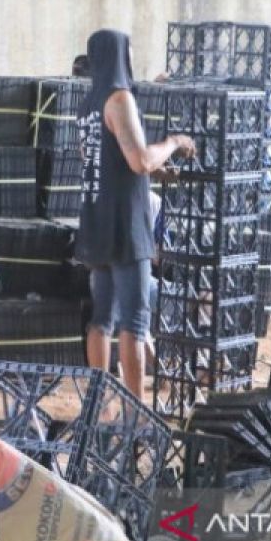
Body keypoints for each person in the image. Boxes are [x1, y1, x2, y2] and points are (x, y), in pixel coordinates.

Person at [76, 29, 195, 400]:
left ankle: (98, 398)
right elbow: (139, 159)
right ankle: (135, 409)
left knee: (102, 318)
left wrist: (155, 170)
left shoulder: (88, 103)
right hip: (127, 226)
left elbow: (105, 160)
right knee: (135, 320)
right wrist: (174, 143)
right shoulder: (120, 99)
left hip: (96, 221)